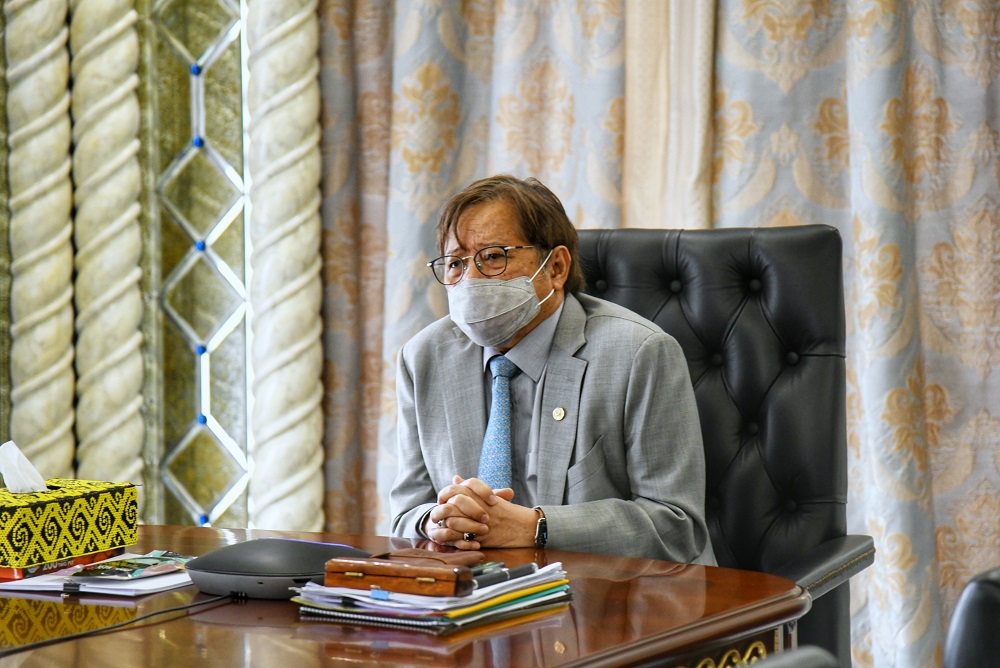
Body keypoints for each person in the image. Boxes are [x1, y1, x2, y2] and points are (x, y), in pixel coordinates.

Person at [389, 174, 716, 564]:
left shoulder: (640, 353)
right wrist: (436, 521)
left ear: (556, 267)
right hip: (476, 591)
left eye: (493, 256)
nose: (470, 280)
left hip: (617, 591)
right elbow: (405, 514)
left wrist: (537, 528)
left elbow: (676, 526)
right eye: (456, 263)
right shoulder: (423, 358)